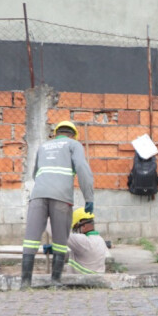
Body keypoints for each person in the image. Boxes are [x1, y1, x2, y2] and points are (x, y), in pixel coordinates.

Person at [21, 121, 94, 288]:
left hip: (38, 195)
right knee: (60, 239)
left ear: (56, 134)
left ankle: (25, 283)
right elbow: (83, 169)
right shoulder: (74, 145)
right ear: (73, 134)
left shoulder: (44, 146)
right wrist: (89, 198)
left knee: (31, 239)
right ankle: (55, 281)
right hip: (61, 197)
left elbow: (35, 173)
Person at [63, 207, 109, 275]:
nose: (75, 232)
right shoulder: (100, 240)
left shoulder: (82, 241)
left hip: (80, 282)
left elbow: (58, 233)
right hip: (97, 280)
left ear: (84, 226)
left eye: (76, 228)